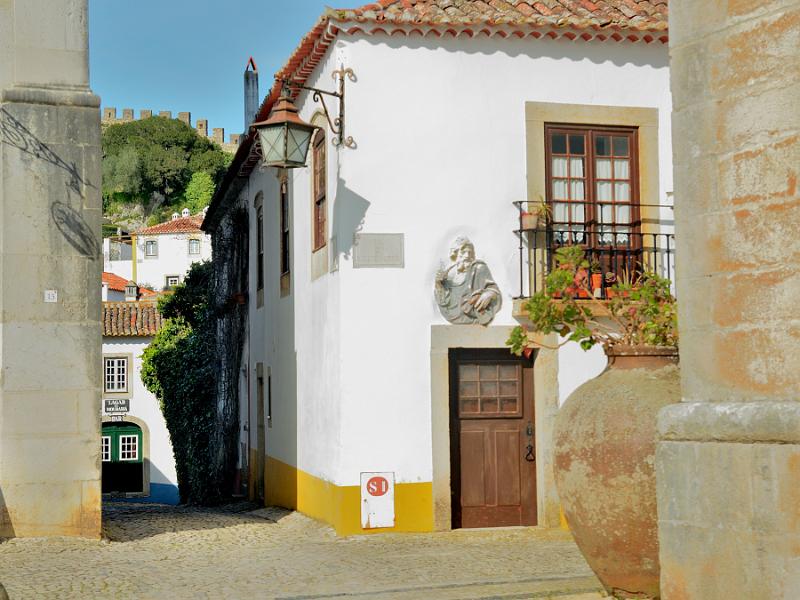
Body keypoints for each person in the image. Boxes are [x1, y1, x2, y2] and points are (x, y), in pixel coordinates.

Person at [434, 236, 501, 325]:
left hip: (475, 315)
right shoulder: (449, 274)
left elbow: (494, 290)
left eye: (470, 252)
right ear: (455, 254)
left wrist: (488, 294)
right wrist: (439, 284)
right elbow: (444, 301)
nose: (467, 255)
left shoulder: (479, 269)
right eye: (463, 252)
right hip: (452, 316)